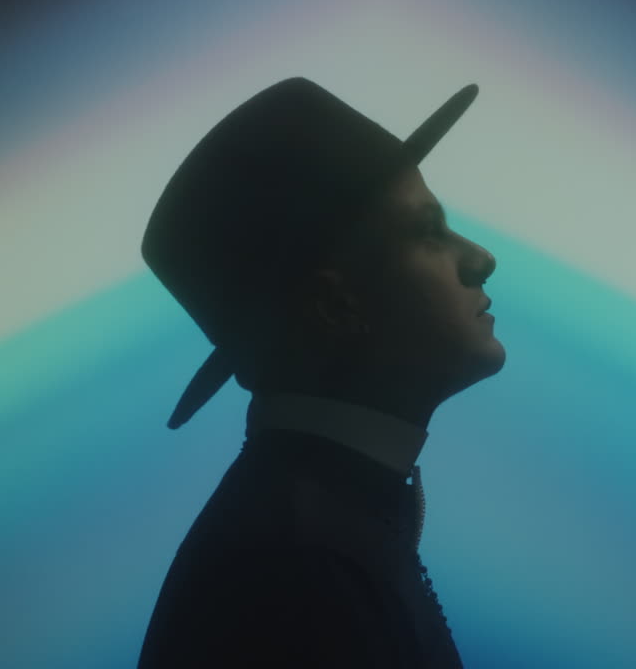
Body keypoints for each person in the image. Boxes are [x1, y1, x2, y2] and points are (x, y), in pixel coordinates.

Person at [136, 77, 504, 667]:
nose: (481, 259)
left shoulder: (303, 531)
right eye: (428, 233)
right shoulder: (299, 569)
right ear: (335, 306)